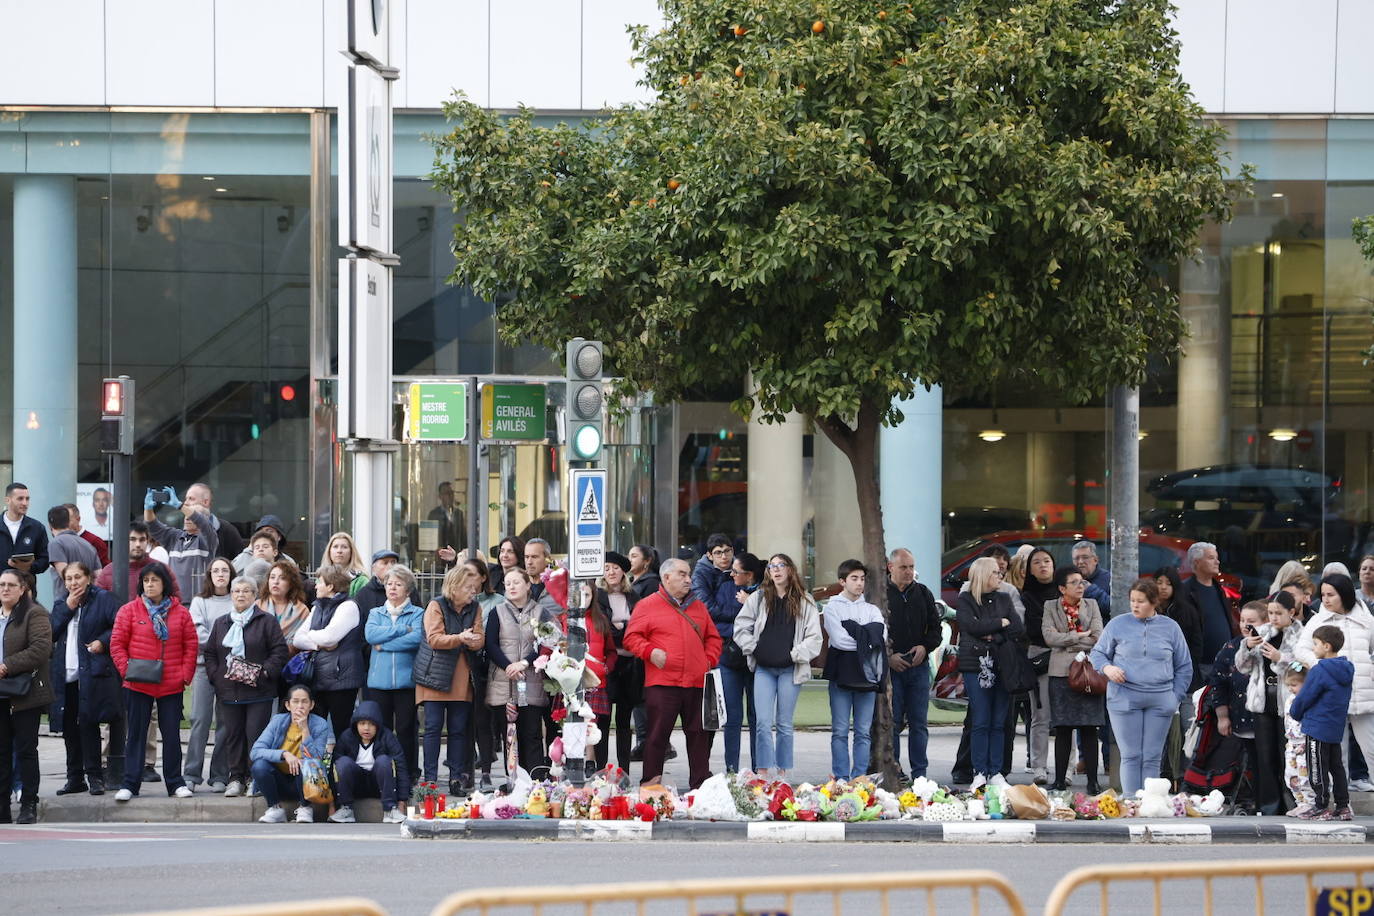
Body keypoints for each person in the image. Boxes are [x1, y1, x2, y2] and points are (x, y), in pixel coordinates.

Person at [624, 557, 721, 789]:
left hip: (696, 683)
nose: (689, 579)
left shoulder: (698, 606)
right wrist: (650, 651)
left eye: (689, 574)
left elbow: (714, 639)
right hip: (662, 683)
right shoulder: (647, 605)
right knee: (657, 737)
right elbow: (631, 638)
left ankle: (700, 787)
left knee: (700, 736)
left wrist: (707, 661)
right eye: (682, 574)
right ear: (666, 577)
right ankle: (651, 785)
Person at [1090, 578, 1193, 796]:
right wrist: (1108, 669)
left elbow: (1184, 665)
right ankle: (1130, 802)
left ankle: (1149, 804)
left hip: (1160, 698)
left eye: (1141, 601)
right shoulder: (1117, 624)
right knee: (1131, 754)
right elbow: (1097, 654)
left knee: (1152, 755)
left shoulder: (1170, 627)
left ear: (1154, 602)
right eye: (1132, 601)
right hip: (1124, 697)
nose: (1135, 605)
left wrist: (1174, 697)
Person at [110, 561, 198, 802]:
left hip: (170, 683)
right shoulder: (129, 610)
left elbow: (191, 644)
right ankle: (130, 784)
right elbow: (117, 643)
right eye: (146, 580)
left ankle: (175, 783)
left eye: (154, 580)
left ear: (164, 584)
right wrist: (126, 669)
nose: (150, 584)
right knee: (136, 735)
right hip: (137, 683)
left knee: (171, 735)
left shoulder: (180, 612)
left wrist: (184, 675)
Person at [733, 552, 822, 781]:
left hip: (790, 669)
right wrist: (754, 648)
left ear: (790, 570)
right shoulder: (759, 598)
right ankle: (763, 771)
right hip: (764, 668)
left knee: (784, 722)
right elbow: (740, 628)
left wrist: (794, 654)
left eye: (781, 565)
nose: (776, 569)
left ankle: (783, 772)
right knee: (762, 721)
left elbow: (815, 638)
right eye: (772, 566)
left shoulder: (805, 600)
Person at [204, 575, 288, 797]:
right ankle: (235, 777)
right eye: (236, 591)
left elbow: (279, 651)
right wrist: (216, 676)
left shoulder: (266, 621)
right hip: (228, 690)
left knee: (255, 735)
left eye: (246, 591)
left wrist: (263, 672)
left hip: (258, 690)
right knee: (233, 735)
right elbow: (211, 653)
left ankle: (255, 778)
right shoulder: (221, 623)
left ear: (254, 595)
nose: (240, 595)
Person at [1294, 573, 1374, 793]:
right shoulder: (1319, 620)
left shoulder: (1366, 618)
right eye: (1323, 595)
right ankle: (1338, 801)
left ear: (1345, 594)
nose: (1326, 599)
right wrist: (1319, 665)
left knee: (1371, 747)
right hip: (1331, 697)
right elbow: (1301, 649)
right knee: (1337, 753)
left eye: (1331, 594)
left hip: (1364, 692)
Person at [49, 563, 123, 796]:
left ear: (88, 578)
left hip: (92, 673)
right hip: (65, 675)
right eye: (68, 579)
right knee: (69, 728)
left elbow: (119, 626)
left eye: (77, 577)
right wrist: (68, 607)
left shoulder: (104, 599)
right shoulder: (62, 602)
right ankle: (74, 778)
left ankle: (95, 777)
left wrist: (103, 641)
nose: (73, 583)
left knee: (89, 724)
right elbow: (50, 632)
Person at [416, 564, 485, 793]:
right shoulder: (436, 605)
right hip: (435, 675)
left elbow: (479, 638)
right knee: (433, 729)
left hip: (461, 677)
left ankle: (456, 779)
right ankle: (430, 780)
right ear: (454, 587)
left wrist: (472, 640)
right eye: (468, 587)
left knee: (458, 730)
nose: (473, 591)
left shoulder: (475, 608)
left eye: (474, 587)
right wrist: (461, 638)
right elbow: (435, 639)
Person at [954, 557, 1021, 789]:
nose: (999, 576)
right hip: (976, 665)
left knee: (999, 721)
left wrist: (995, 631)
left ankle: (996, 772)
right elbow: (970, 627)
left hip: (1002, 664)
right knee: (981, 720)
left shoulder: (1004, 598)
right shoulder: (966, 599)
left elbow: (1017, 628)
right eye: (995, 572)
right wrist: (999, 622)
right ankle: (979, 771)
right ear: (983, 574)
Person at [1235, 590, 1303, 814]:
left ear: (1292, 612)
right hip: (1262, 701)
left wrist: (1280, 659)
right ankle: (1269, 806)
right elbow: (1242, 667)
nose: (1273, 618)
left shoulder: (1300, 634)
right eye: (1271, 613)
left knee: (1288, 756)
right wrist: (1246, 647)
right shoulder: (1263, 632)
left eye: (1278, 613)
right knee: (1265, 757)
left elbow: (1303, 668)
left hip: (1288, 701)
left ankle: (1291, 803)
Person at [1041, 566, 1104, 792]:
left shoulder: (1092, 605)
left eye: (1082, 582)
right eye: (1075, 582)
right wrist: (1078, 636)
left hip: (1087, 672)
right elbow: (1049, 637)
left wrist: (1066, 640)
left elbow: (1098, 637)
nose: (1081, 586)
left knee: (1089, 728)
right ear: (1061, 588)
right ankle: (1059, 780)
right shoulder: (1050, 606)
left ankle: (1093, 781)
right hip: (1060, 674)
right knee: (1063, 729)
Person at [485, 567, 552, 779]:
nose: (511, 586)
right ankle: (513, 782)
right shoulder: (498, 611)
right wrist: (508, 666)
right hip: (503, 683)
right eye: (508, 583)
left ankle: (536, 783)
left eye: (516, 582)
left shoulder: (541, 612)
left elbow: (546, 643)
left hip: (531, 680)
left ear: (527, 585)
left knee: (532, 733)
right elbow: (491, 644)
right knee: (510, 736)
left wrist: (524, 663)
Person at [363, 563, 425, 791]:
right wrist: (401, 630)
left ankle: (409, 772)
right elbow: (370, 636)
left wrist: (385, 644)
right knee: (382, 728)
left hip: (406, 681)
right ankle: (384, 771)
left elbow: (416, 639)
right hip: (378, 682)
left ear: (407, 590)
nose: (392, 588)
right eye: (389, 584)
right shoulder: (375, 613)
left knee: (407, 729)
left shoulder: (418, 613)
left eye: (398, 584)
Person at [694, 535, 752, 774]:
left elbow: (757, 606)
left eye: (727, 551)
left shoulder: (737, 574)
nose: (724, 556)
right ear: (709, 555)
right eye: (719, 552)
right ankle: (729, 770)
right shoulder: (702, 575)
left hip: (745, 646)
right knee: (728, 714)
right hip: (722, 648)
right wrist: (743, 611)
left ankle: (758, 771)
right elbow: (707, 609)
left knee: (754, 716)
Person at [0, 567, 52, 823]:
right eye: (2, 585)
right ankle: (2, 808)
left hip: (25, 694)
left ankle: (29, 804)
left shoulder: (35, 613)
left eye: (11, 585)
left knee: (26, 750)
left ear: (23, 589)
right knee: (1, 751)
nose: (5, 589)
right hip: (1, 694)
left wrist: (6, 665)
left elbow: (41, 649)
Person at [885, 547, 942, 781]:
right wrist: (888, 656)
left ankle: (920, 774)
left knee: (919, 723)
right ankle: (895, 771)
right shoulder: (880, 594)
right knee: (893, 722)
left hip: (918, 668)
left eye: (911, 567)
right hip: (891, 669)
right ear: (891, 568)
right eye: (903, 567)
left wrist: (925, 647)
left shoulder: (923, 593)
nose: (909, 572)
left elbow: (936, 629)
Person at [292, 564, 365, 743]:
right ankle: (317, 770)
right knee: (317, 730)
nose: (315, 586)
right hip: (318, 677)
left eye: (319, 582)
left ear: (331, 586)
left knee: (342, 731)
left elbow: (330, 637)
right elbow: (297, 639)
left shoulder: (348, 606)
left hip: (342, 678)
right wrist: (318, 645)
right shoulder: (317, 607)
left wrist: (317, 639)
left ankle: (341, 769)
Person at [1288, 624, 1354, 820]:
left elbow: (1306, 696)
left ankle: (1321, 805)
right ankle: (1343, 806)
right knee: (1337, 767)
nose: (1313, 648)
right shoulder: (1347, 669)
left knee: (1317, 767)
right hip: (1335, 726)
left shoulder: (1320, 670)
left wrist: (1295, 712)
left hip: (1317, 727)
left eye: (1315, 644)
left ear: (1326, 646)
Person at [184, 557, 234, 792]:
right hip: (204, 667)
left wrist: (221, 643)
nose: (221, 574)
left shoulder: (237, 600)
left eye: (225, 570)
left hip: (231, 669)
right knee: (199, 719)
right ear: (209, 575)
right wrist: (226, 641)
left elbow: (242, 632)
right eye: (216, 570)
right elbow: (197, 634)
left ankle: (220, 775)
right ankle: (191, 774)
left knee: (225, 722)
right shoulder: (199, 601)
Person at [250, 684, 330, 823]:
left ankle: (305, 807)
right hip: (278, 781)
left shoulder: (320, 724)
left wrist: (305, 730)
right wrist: (284, 754)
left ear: (311, 705)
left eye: (305, 701)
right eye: (295, 701)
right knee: (259, 766)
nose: (300, 706)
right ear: (288, 705)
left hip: (306, 782)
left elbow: (316, 760)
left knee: (306, 763)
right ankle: (274, 808)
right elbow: (256, 751)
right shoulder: (278, 721)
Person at [1154, 565, 1204, 784]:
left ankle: (1187, 776)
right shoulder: (1151, 610)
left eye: (1168, 583)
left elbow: (1195, 647)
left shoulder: (1184, 610)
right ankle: (1164, 774)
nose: (1163, 588)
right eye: (1159, 582)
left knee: (1187, 728)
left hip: (1186, 680)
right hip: (1159, 681)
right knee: (1161, 731)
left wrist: (1181, 671)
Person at [329, 699, 409, 824]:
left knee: (383, 760)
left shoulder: (387, 736)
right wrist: (332, 803)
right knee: (342, 762)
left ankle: (389, 810)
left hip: (380, 785)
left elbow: (401, 765)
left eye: (371, 724)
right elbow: (333, 770)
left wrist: (402, 800)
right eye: (362, 723)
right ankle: (346, 809)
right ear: (356, 724)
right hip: (355, 784)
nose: (366, 728)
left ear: (378, 725)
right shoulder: (346, 737)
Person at [596, 552, 641, 771]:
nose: (611, 572)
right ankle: (601, 768)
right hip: (608, 664)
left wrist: (623, 630)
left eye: (615, 567)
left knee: (625, 720)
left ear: (623, 571)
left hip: (630, 664)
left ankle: (624, 770)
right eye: (607, 568)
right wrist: (621, 629)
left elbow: (639, 628)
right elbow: (602, 630)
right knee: (602, 720)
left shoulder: (634, 596)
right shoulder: (596, 596)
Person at [143, 487, 219, 600]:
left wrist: (180, 506)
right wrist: (148, 509)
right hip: (174, 603)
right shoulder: (175, 537)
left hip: (199, 602)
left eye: (192, 515)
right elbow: (152, 526)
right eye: (185, 515)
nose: (187, 518)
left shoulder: (208, 539)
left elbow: (203, 523)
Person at [1179, 541, 1237, 676]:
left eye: (1216, 558)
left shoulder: (1219, 589)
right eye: (1211, 558)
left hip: (1225, 662)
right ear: (1197, 562)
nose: (1217, 562)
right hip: (1201, 666)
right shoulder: (1185, 591)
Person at [96, 522, 176, 602]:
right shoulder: (108, 571)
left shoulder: (162, 569)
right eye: (133, 539)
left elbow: (175, 600)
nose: (138, 544)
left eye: (142, 540)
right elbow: (98, 604)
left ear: (147, 541)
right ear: (124, 541)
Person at [47, 505, 99, 608]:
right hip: (89, 604)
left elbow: (65, 575)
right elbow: (98, 576)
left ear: (50, 526)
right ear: (68, 522)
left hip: (67, 604)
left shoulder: (55, 544)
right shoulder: (88, 545)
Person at [1282, 666, 1318, 818]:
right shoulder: (1290, 699)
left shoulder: (1309, 700)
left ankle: (1311, 803)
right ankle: (1300, 803)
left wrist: (1307, 740)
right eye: (1288, 685)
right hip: (1291, 742)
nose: (1291, 689)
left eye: (1294, 685)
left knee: (1306, 775)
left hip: (1305, 742)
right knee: (1291, 775)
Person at [352, 550, 420, 626]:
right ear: (373, 568)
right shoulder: (364, 594)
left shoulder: (408, 590)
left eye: (393, 562)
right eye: (385, 563)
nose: (390, 566)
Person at [182, 483, 244, 563]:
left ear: (205, 502)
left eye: (191, 499)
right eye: (186, 499)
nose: (185, 503)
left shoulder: (227, 530)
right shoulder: (181, 530)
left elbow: (240, 562)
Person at [0, 483, 50, 577]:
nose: (25, 503)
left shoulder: (37, 527)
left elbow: (45, 559)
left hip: (26, 587)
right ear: (7, 500)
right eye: (20, 499)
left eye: (27, 499)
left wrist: (29, 567)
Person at [319, 532, 370, 597]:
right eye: (335, 547)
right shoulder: (321, 578)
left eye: (344, 547)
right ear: (329, 551)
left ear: (351, 552)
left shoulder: (361, 580)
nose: (339, 551)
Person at [1071, 541, 1111, 617]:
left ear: (1095, 560)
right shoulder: (1068, 580)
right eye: (1076, 558)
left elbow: (1114, 608)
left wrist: (1090, 590)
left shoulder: (1109, 579)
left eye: (1085, 557)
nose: (1080, 562)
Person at [63, 503, 109, 568]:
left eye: (67, 520)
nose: (64, 524)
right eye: (62, 520)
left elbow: (104, 571)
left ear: (78, 519)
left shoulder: (95, 542)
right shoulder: (59, 541)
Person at [427, 481, 465, 558]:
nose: (450, 496)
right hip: (439, 554)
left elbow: (463, 536)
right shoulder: (434, 514)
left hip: (455, 554)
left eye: (451, 493)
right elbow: (430, 537)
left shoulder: (458, 513)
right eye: (446, 493)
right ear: (440, 496)